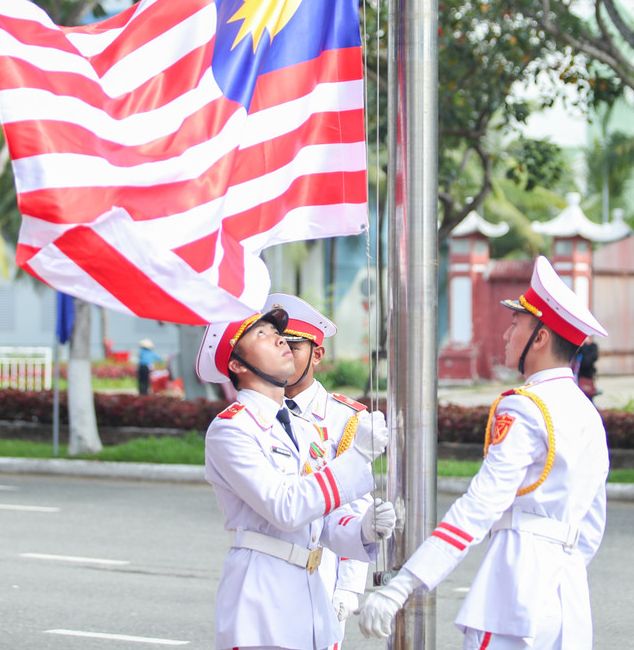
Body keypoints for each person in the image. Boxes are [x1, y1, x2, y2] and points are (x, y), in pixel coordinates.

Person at [359, 255, 611, 650]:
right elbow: (592, 525)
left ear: (540, 338)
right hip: (569, 598)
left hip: (515, 592)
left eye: (516, 325)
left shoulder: (526, 406)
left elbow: (481, 504)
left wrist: (404, 583)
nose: (507, 335)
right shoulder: (586, 412)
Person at [197, 305, 396, 650]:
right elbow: (286, 508)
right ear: (238, 365)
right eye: (263, 335)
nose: (280, 342)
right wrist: (359, 456)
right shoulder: (232, 429)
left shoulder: (297, 426)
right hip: (263, 595)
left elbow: (321, 521)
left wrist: (364, 528)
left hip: (310, 589)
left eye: (279, 335)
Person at [268, 291, 373, 643]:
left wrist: (350, 587)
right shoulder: (259, 412)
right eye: (276, 344)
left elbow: (356, 506)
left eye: (293, 348)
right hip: (267, 561)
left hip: (323, 563)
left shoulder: (346, 419)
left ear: (317, 354)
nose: (281, 355)